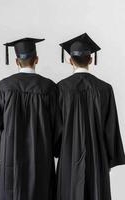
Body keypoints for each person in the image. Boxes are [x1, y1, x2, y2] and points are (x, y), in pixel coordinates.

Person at [55, 33, 125, 200]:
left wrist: (59, 151)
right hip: (97, 156)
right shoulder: (105, 89)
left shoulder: (60, 89)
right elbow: (111, 128)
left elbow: (56, 127)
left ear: (70, 60)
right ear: (91, 60)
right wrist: (108, 158)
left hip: (68, 155)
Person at [0, 37, 58, 200]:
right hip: (41, 154)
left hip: (11, 155)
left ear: (16, 61)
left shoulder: (3, 87)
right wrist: (53, 148)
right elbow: (57, 124)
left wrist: (4, 148)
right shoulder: (49, 87)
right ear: (37, 59)